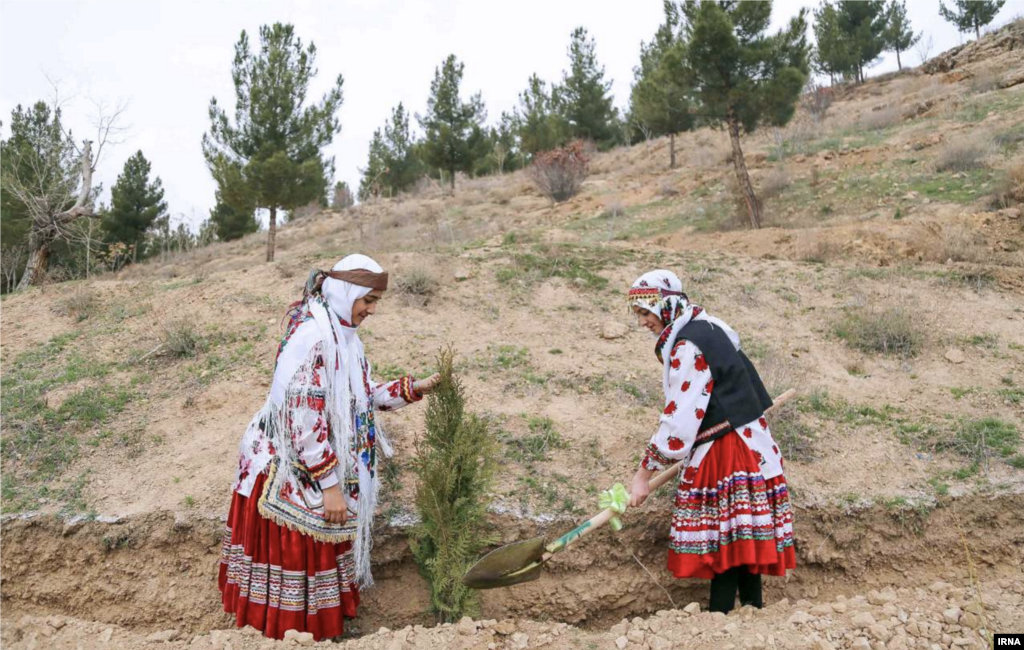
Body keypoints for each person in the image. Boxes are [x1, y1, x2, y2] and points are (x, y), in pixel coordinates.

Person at [218, 254, 439, 640]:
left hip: (308, 461)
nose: (371, 310)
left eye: (375, 303)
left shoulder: (343, 338)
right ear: (345, 292)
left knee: (319, 542)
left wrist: (413, 389)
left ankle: (310, 631)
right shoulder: (314, 339)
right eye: (367, 300)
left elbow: (361, 395)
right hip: (287, 466)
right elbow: (303, 421)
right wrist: (330, 485)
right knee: (304, 541)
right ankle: (284, 634)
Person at [626, 269, 795, 614]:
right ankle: (751, 615)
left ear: (666, 305)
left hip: (727, 451)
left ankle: (721, 624)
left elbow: (680, 422)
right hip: (754, 444)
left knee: (727, 545)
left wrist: (643, 474)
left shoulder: (689, 344)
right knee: (743, 542)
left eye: (646, 312)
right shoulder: (711, 326)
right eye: (639, 315)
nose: (642, 322)